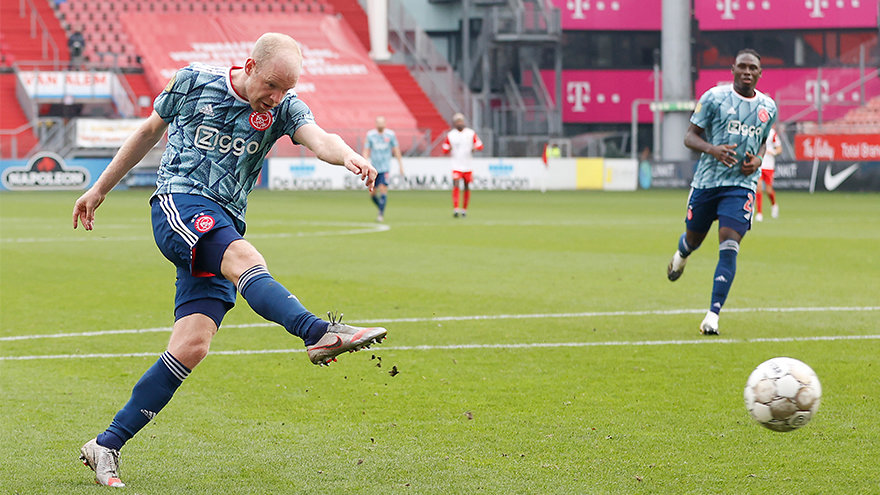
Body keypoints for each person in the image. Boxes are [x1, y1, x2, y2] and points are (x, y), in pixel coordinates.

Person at [72, 33, 387, 488]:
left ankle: (107, 443)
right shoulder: (193, 82)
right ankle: (317, 333)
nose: (276, 98)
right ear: (250, 65)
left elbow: (320, 139)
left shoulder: (284, 107)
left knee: (192, 346)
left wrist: (350, 156)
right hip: (179, 203)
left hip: (222, 221)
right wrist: (99, 189)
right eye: (272, 86)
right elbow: (146, 133)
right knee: (244, 257)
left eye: (286, 89)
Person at [666, 48, 777, 335]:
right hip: (707, 183)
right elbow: (689, 136)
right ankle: (681, 255)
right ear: (733, 69)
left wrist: (759, 159)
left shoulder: (768, 107)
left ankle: (712, 316)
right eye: (742, 67)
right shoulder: (714, 98)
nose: (747, 72)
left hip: (740, 186)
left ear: (760, 73)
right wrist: (712, 150)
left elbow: (763, 142)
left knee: (729, 245)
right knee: (693, 239)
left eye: (753, 68)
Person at [363, 116, 404, 222]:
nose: (380, 125)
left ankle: (380, 214)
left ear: (385, 124)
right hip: (374, 168)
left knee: (383, 189)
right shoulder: (371, 135)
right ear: (376, 124)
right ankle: (381, 207)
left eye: (382, 123)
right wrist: (364, 162)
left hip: (385, 167)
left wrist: (400, 165)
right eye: (379, 123)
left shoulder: (390, 135)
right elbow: (366, 150)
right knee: (372, 194)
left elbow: (396, 150)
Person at [441, 113, 483, 217]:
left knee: (466, 186)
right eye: (458, 121)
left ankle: (464, 209)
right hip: (456, 165)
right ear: (455, 123)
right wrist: (448, 149)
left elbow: (480, 145)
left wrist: (474, 148)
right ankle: (456, 208)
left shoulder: (470, 133)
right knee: (456, 184)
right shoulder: (451, 135)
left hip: (467, 165)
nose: (460, 123)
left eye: (461, 121)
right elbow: (444, 149)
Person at [755, 124, 781, 221]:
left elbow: (779, 148)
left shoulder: (772, 133)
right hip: (759, 164)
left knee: (769, 190)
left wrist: (773, 152)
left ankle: (774, 205)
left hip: (769, 165)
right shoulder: (757, 131)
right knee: (759, 187)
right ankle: (759, 213)